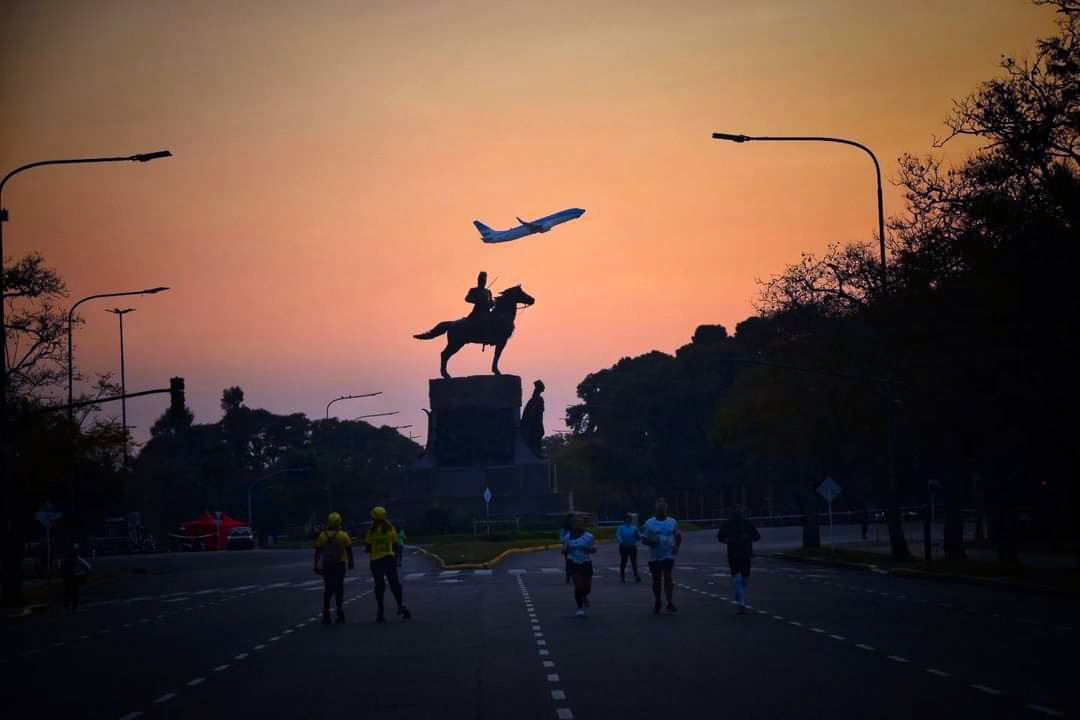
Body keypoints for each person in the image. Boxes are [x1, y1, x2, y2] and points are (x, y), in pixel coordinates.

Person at [365, 506, 411, 623]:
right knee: (394, 582)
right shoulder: (390, 529)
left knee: (379, 585)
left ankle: (380, 610)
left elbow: (368, 547)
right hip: (388, 559)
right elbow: (395, 544)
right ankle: (400, 605)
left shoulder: (371, 531)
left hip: (375, 561)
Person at [716, 510, 761, 614]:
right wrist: (726, 540)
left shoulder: (747, 524)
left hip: (746, 555)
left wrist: (747, 537)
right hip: (733, 555)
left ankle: (739, 593)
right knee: (737, 580)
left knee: (744, 580)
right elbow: (720, 537)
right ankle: (742, 603)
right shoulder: (727, 524)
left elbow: (757, 536)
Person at [642, 498, 681, 614]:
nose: (662, 509)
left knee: (668, 578)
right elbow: (643, 539)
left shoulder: (672, 521)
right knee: (656, 580)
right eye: (659, 507)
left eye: (663, 507)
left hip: (668, 555)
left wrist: (677, 546)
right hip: (654, 556)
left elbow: (678, 535)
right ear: (656, 509)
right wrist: (651, 542)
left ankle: (669, 601)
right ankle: (658, 600)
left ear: (666, 508)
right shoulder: (649, 523)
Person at [314, 512, 354, 625]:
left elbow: (317, 551)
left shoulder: (322, 535)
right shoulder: (343, 535)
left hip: (327, 564)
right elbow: (349, 549)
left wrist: (316, 564)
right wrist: (351, 562)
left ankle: (326, 613)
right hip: (340, 564)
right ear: (339, 522)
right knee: (339, 587)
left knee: (328, 588)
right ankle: (340, 611)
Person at [563, 514, 597, 617]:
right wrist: (566, 550)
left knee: (587, 587)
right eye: (574, 523)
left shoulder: (589, 536)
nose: (576, 524)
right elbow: (564, 550)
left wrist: (588, 549)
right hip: (573, 563)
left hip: (586, 563)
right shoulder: (567, 537)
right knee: (578, 586)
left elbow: (594, 549)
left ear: (583, 524)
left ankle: (584, 595)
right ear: (571, 524)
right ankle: (579, 607)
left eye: (579, 522)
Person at [61, 544, 92, 612]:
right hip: (72, 577)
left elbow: (61, 568)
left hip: (68, 577)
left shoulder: (66, 559)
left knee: (69, 592)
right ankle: (72, 606)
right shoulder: (75, 559)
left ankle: (69, 605)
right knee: (74, 592)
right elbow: (88, 568)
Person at [464, 270, 494, 338]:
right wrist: (478, 301)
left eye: (484, 280)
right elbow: (467, 298)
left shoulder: (488, 291)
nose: (482, 282)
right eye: (480, 280)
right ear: (478, 280)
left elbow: (490, 302)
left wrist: (492, 303)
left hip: (487, 312)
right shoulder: (474, 290)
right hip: (477, 312)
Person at [615, 513, 641, 582]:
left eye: (630, 519)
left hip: (632, 546)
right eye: (627, 519)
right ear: (625, 520)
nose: (629, 520)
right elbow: (618, 535)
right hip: (623, 546)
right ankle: (622, 576)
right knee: (623, 561)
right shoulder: (621, 527)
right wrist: (621, 542)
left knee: (634, 562)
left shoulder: (634, 528)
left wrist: (637, 535)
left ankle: (636, 576)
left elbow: (638, 537)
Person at [559, 513, 575, 585]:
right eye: (571, 519)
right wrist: (567, 541)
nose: (572, 520)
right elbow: (562, 538)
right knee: (568, 562)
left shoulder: (576, 527)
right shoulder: (564, 529)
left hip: (576, 547)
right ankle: (568, 577)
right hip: (567, 547)